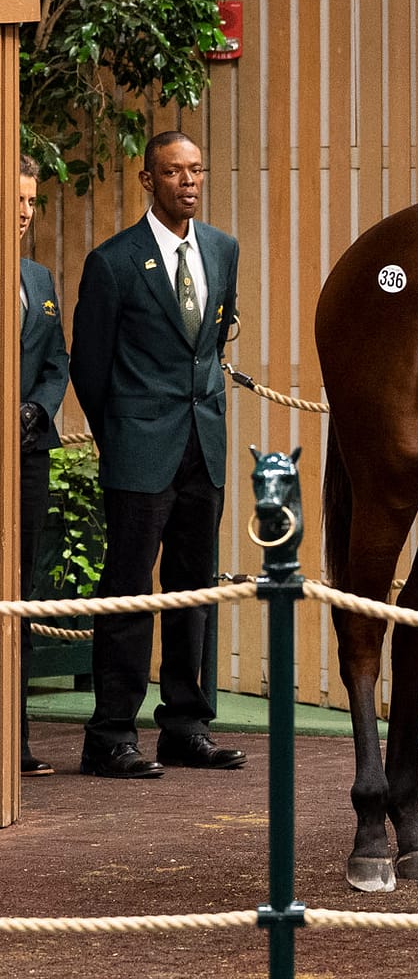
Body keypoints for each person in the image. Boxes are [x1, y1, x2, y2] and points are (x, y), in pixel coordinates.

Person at [69, 130, 246, 778]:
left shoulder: (224, 250)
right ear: (148, 180)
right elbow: (88, 367)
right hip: (139, 452)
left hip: (205, 446)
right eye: (174, 173)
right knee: (128, 590)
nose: (189, 183)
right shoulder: (114, 262)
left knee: (193, 589)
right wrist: (123, 434)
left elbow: (213, 342)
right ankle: (110, 733)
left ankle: (184, 726)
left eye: (196, 171)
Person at [17, 151, 70, 777]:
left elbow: (56, 361)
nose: (27, 213)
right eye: (18, 201)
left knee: (22, 592)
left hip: (27, 455)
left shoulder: (39, 278)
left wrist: (37, 410)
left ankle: (15, 738)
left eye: (33, 201)